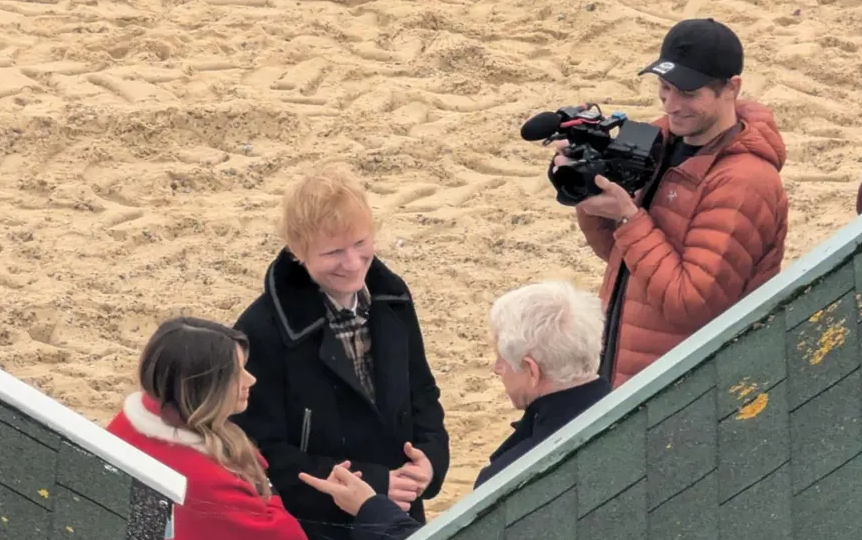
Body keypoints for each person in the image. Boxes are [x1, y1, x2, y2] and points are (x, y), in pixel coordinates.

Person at [554, 18, 789, 387]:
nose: (671, 105)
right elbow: (620, 259)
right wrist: (589, 190)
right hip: (628, 366)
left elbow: (690, 303)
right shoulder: (659, 138)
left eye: (688, 93)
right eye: (664, 88)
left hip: (687, 389)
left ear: (732, 88)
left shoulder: (745, 183)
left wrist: (629, 218)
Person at [231, 167, 451, 540]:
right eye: (333, 252)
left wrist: (430, 462)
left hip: (400, 511)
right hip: (320, 527)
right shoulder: (261, 330)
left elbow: (423, 394)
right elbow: (260, 451)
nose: (352, 263)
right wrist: (376, 484)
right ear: (298, 250)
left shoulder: (393, 299)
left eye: (361, 243)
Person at [299, 281, 612, 540]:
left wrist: (369, 508)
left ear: (532, 370)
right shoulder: (633, 408)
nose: (496, 368)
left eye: (501, 358)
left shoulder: (518, 476)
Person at [105, 317, 308, 540]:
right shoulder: (215, 484)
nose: (250, 380)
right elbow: (287, 535)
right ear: (201, 385)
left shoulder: (126, 423)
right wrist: (266, 489)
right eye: (235, 373)